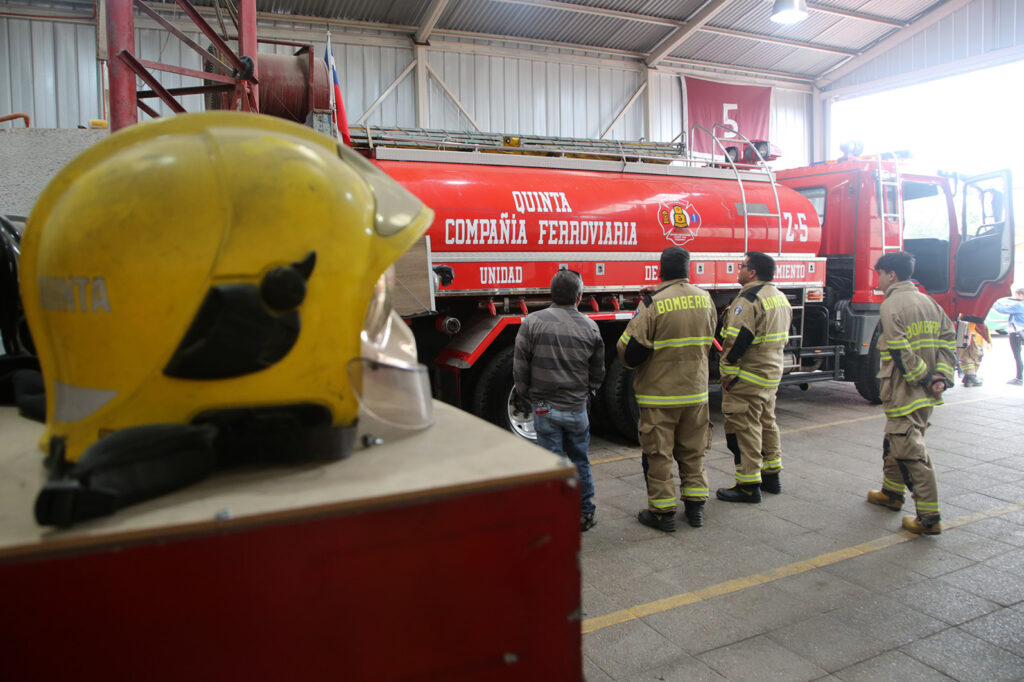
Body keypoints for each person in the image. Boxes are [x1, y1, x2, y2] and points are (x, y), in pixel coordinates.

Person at [616, 247, 717, 532]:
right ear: (688, 269)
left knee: (659, 455)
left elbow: (630, 351)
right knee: (693, 451)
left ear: (660, 269)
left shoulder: (653, 303)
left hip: (659, 395)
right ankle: (696, 507)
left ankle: (663, 514)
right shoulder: (705, 299)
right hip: (695, 393)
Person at [866, 251, 955, 535]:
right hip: (926, 392)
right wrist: (941, 376)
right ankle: (891, 493)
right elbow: (949, 339)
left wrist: (926, 378)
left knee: (909, 451)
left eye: (879, 273)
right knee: (897, 439)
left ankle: (929, 518)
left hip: (905, 389)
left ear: (891, 275)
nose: (877, 279)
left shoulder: (892, 305)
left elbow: (898, 349)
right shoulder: (928, 302)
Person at [513, 269, 605, 532]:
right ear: (579, 296)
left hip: (544, 407)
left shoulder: (532, 323)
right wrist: (589, 393)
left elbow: (520, 368)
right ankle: (585, 512)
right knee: (580, 460)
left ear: (552, 293)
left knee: (551, 463)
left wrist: (527, 395)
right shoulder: (591, 327)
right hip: (577, 407)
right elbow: (597, 372)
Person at [716, 251, 791, 504]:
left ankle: (748, 485)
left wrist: (727, 372)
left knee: (745, 428)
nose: (739, 270)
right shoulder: (779, 297)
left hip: (748, 376)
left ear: (752, 272)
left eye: (742, 266)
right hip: (770, 375)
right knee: (767, 422)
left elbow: (736, 341)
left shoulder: (748, 300)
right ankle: (772, 475)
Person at [993, 286, 1024, 385]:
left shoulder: (1019, 305)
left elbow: (1001, 310)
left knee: (1017, 356)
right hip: (1021, 331)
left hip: (1016, 333)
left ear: (1020, 295)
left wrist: (994, 301)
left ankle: (1019, 378)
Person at [956, 320, 989, 387]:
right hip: (971, 330)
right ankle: (970, 376)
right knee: (974, 355)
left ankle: (969, 376)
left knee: (965, 355)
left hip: (962, 328)